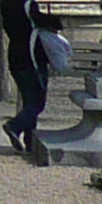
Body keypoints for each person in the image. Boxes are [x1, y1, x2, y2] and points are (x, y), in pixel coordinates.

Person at [0, 0, 42, 154]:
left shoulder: (5, 5)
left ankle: (30, 142)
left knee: (28, 100)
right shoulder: (28, 5)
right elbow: (42, 25)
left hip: (14, 55)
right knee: (37, 102)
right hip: (31, 56)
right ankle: (15, 126)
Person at [28, 11, 73, 164]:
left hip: (34, 68)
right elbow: (61, 59)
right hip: (38, 69)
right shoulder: (49, 38)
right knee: (37, 103)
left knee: (34, 102)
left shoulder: (42, 36)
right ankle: (17, 128)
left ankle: (27, 137)